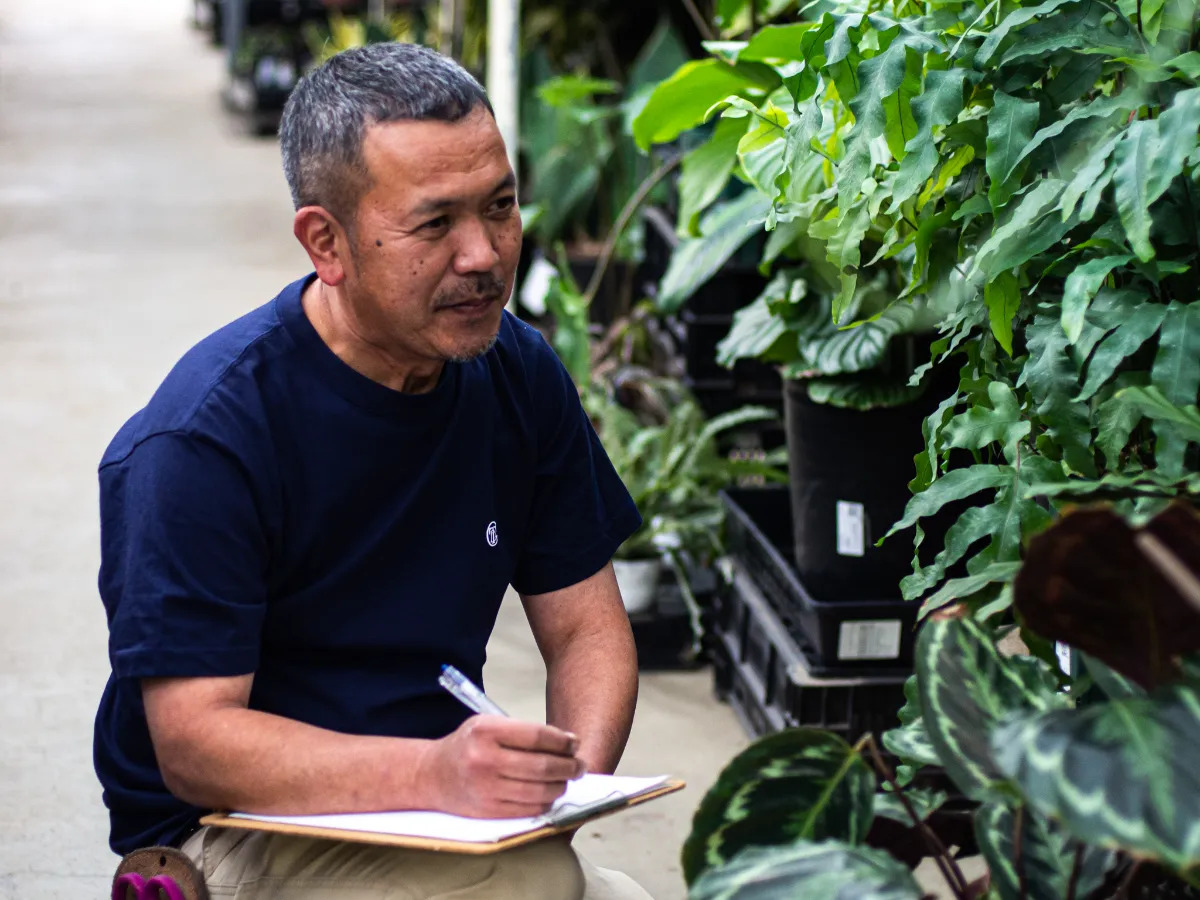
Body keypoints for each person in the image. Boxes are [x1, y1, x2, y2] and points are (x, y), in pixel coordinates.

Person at [94, 41, 651, 899]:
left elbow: (586, 629)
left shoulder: (516, 374)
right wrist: (435, 776)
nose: (484, 254)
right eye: (436, 224)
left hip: (439, 814)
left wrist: (564, 789)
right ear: (328, 243)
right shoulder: (208, 439)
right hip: (231, 825)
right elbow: (194, 743)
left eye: (500, 207)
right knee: (533, 888)